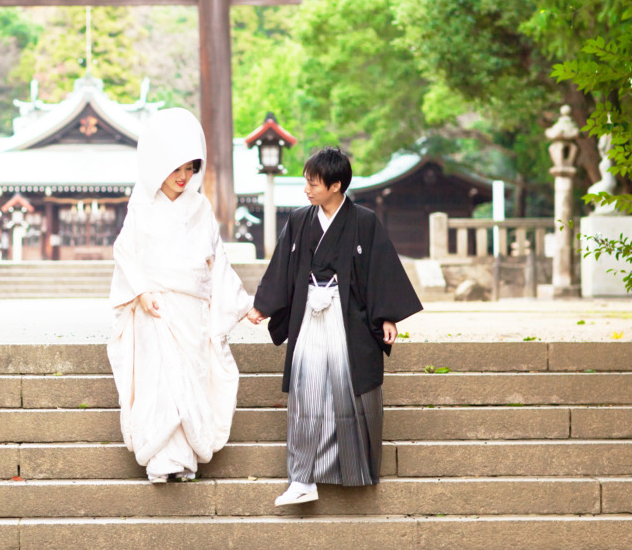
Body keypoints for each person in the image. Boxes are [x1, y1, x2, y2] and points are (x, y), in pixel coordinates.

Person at [246, 147, 422, 505]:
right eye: (307, 182)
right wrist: (263, 305)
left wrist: (387, 315)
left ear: (336, 184)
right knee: (306, 391)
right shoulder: (298, 220)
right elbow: (283, 266)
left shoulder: (364, 221)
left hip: (349, 319)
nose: (307, 189)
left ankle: (353, 470)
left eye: (314, 183)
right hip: (309, 313)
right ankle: (302, 479)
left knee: (347, 390)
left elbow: (380, 270)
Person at [108, 108, 254, 484]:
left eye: (190, 169)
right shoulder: (142, 203)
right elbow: (125, 251)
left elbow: (215, 259)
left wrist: (242, 303)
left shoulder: (199, 205)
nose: (184, 177)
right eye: (177, 169)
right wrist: (140, 292)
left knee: (189, 376)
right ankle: (160, 457)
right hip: (154, 306)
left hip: (190, 307)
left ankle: (185, 456)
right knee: (159, 378)